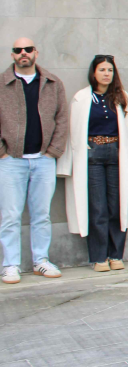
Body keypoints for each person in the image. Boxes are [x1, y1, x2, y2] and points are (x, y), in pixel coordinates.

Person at [57, 56, 128, 272]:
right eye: (102, 70)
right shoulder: (81, 98)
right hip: (92, 155)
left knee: (117, 206)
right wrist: (65, 164)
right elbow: (71, 132)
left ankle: (116, 255)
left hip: (117, 154)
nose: (106, 74)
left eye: (110, 70)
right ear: (94, 73)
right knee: (97, 208)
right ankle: (99, 257)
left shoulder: (121, 96)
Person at [0, 38, 69, 284]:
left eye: (28, 49)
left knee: (42, 214)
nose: (23, 53)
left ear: (35, 53)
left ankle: (41, 260)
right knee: (10, 216)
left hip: (43, 160)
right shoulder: (2, 83)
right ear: (12, 55)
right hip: (11, 161)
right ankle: (10, 265)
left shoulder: (52, 83)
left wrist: (53, 151)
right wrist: (2, 152)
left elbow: (62, 118)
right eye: (18, 50)